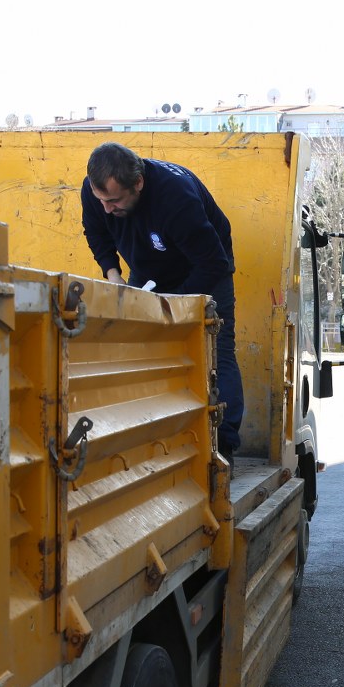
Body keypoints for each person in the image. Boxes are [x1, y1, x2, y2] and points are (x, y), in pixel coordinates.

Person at [81, 142, 243, 456]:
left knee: (215, 352)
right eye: (101, 200)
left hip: (206, 267)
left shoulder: (176, 197)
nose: (107, 209)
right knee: (139, 349)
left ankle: (222, 446)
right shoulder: (95, 190)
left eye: (114, 201)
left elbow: (213, 263)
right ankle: (147, 436)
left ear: (138, 183)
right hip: (148, 271)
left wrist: (171, 305)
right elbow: (96, 232)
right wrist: (113, 276)